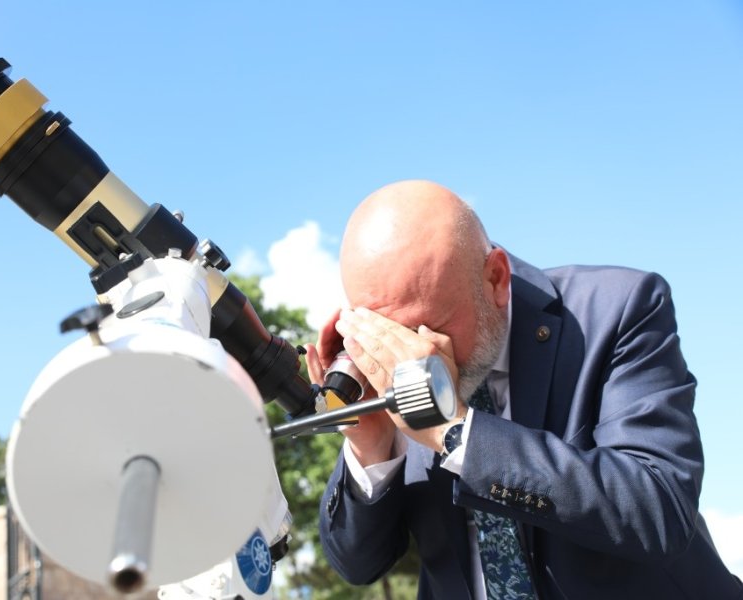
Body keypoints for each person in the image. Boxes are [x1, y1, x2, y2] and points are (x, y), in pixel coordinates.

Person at [304, 180, 742, 599]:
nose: (409, 356)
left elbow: (658, 509)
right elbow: (358, 566)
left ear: (496, 278)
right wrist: (371, 449)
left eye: (426, 326)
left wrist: (456, 433)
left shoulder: (619, 308)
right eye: (385, 331)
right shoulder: (384, 373)